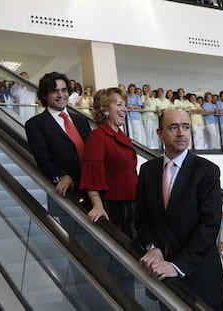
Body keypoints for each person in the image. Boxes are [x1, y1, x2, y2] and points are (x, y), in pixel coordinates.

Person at [135, 108, 223, 309]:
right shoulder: (147, 170)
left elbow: (209, 225)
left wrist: (177, 266)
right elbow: (141, 219)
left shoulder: (207, 171)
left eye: (186, 127)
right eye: (173, 127)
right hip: (163, 280)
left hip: (201, 282)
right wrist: (153, 248)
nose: (181, 133)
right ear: (159, 133)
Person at [80, 87, 137, 296]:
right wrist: (97, 204)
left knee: (129, 264)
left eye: (125, 105)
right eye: (119, 104)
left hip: (131, 208)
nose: (125, 109)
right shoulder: (98, 136)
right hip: (114, 210)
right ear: (104, 109)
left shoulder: (122, 136)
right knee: (118, 267)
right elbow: (92, 172)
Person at [25, 72, 91, 218]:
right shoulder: (35, 124)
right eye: (55, 91)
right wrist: (62, 175)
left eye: (64, 90)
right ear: (44, 96)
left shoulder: (81, 121)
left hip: (93, 192)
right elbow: (43, 160)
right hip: (67, 193)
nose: (61, 95)